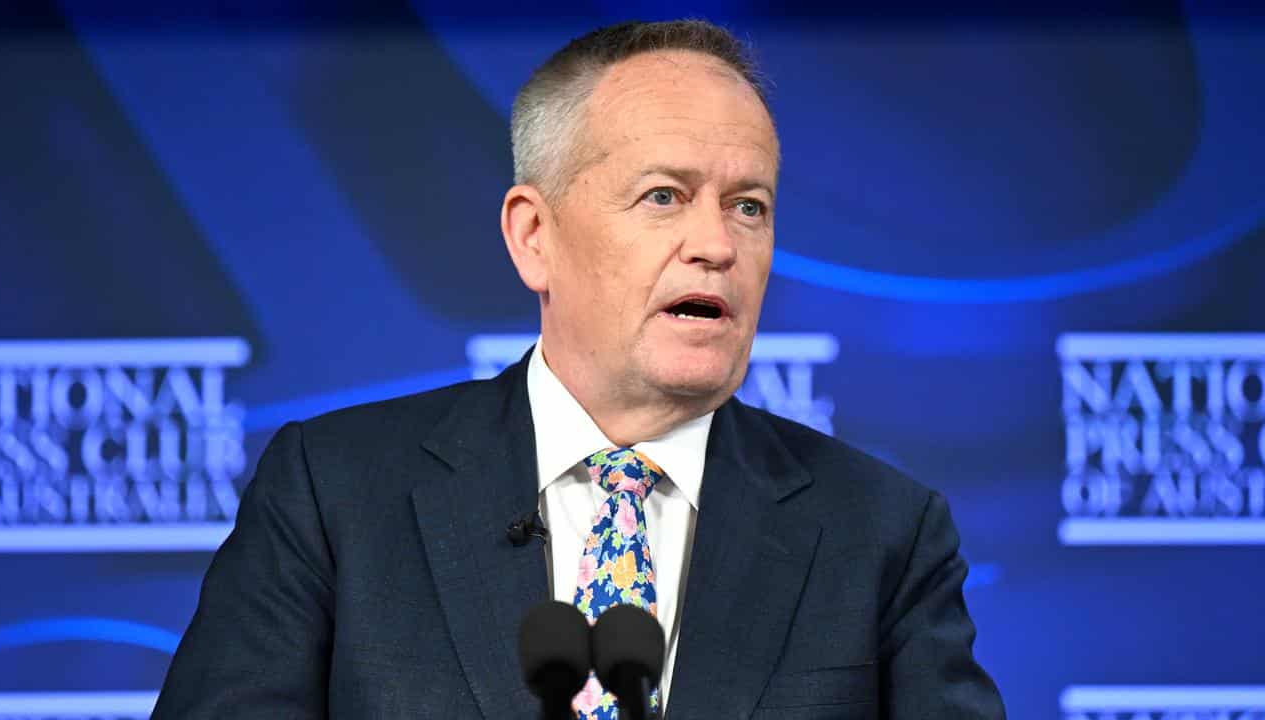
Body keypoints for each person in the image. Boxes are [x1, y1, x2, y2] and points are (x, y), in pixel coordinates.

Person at [153, 20, 1006, 719]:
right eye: (664, 196)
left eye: (749, 207)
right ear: (534, 236)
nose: (717, 245)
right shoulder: (333, 496)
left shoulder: (884, 535)